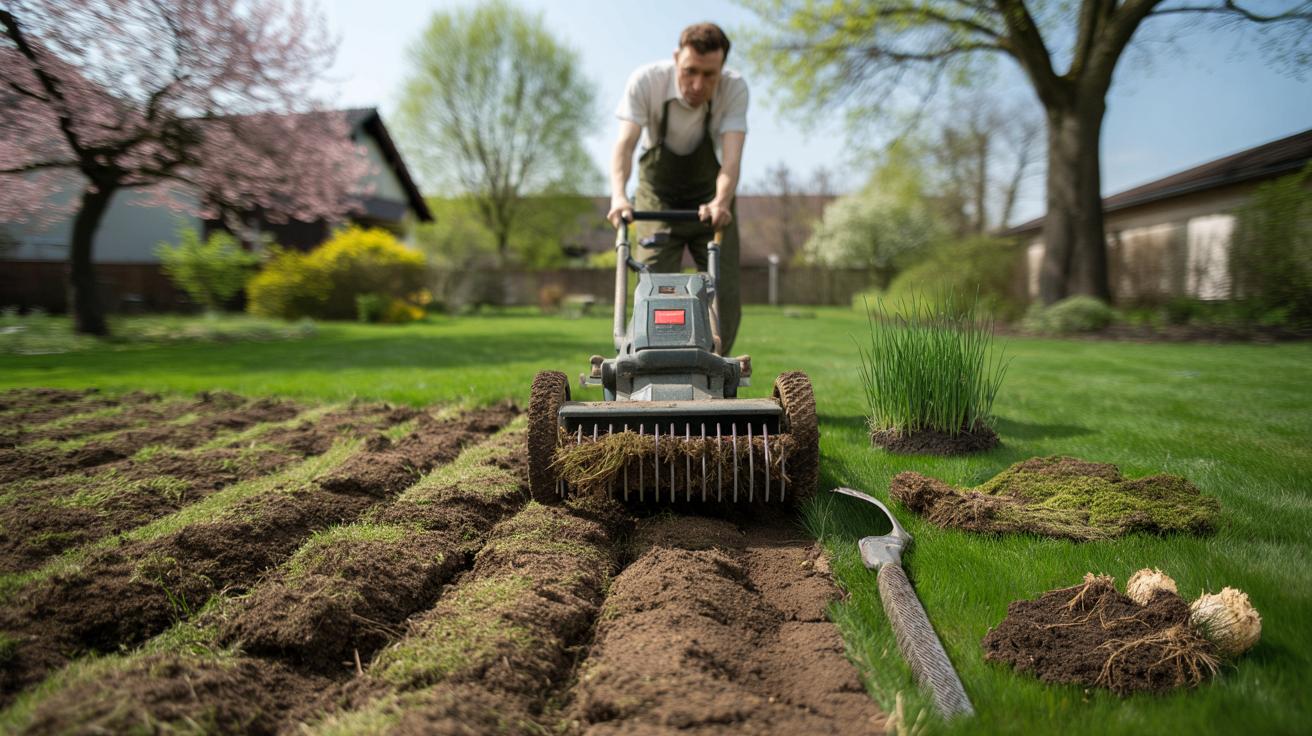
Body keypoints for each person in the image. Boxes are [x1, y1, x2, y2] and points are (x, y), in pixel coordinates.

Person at [607, 22, 747, 355]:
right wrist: (619, 195)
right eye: (690, 71)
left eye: (709, 74)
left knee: (723, 290)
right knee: (653, 283)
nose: (698, 84)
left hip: (709, 200)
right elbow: (625, 146)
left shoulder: (734, 89)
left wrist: (720, 201)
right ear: (676, 59)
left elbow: (731, 160)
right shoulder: (646, 82)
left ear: (722, 68)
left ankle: (714, 376)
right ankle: (649, 364)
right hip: (658, 196)